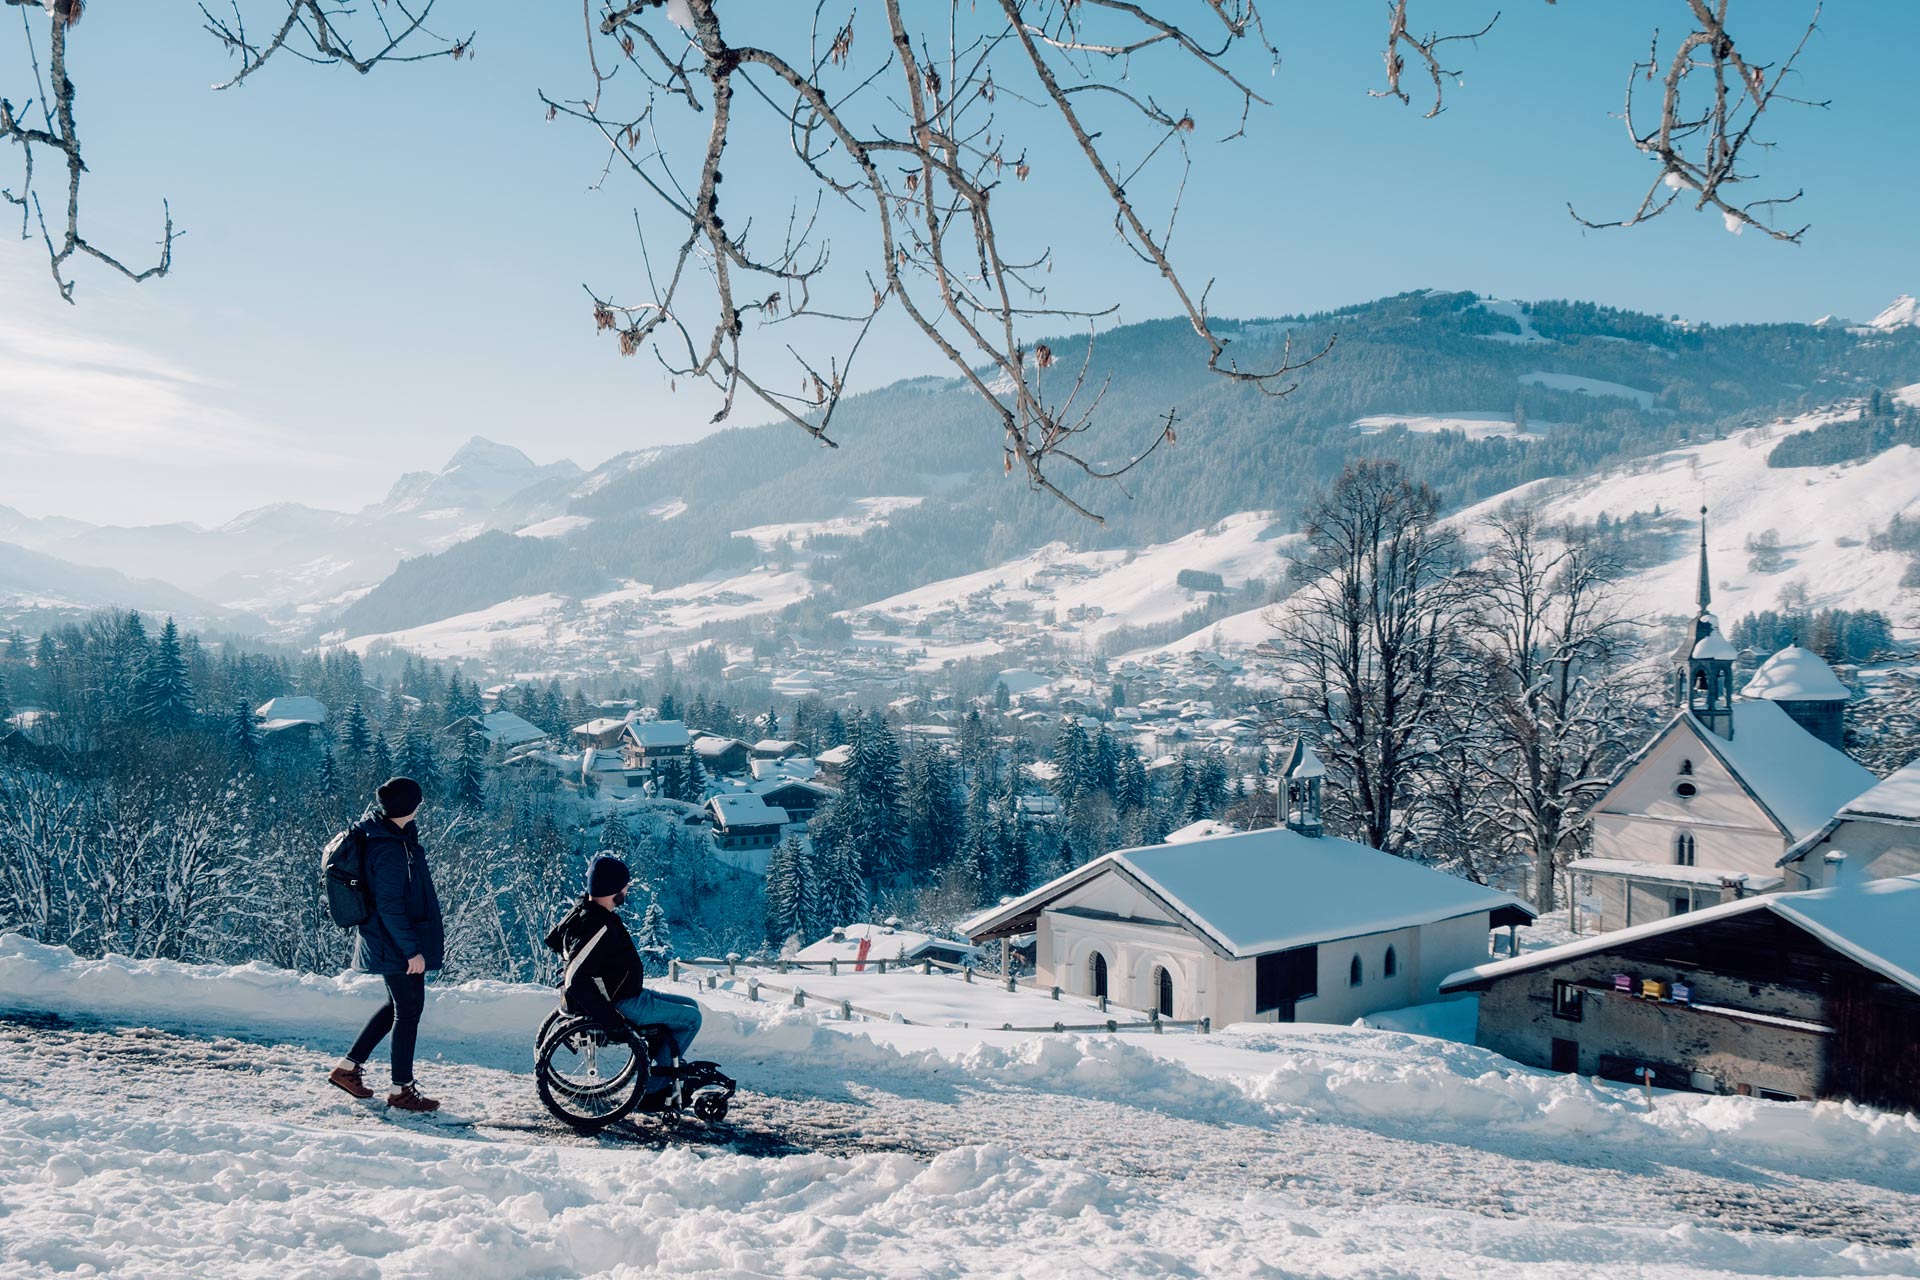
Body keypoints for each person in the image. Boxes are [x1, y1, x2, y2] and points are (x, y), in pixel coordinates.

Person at [327, 777, 446, 1112]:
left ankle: (348, 1069)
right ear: (409, 806)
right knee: (408, 1011)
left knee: (398, 1007)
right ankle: (401, 1090)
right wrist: (411, 950)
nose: (421, 806)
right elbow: (390, 904)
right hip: (395, 943)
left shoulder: (392, 837)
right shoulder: (389, 847)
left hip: (391, 939)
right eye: (418, 802)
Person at [547, 854, 702, 1108]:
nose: (627, 889)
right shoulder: (597, 925)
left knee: (690, 1005)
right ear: (612, 890)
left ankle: (661, 1059)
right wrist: (611, 1021)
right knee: (692, 1019)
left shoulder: (589, 911)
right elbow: (575, 978)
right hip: (621, 1002)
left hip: (624, 991)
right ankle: (654, 1090)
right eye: (624, 886)